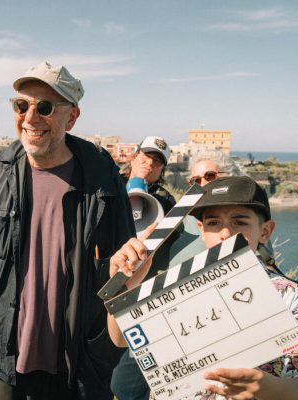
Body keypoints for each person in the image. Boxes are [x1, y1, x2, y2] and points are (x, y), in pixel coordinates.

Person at [0, 61, 135, 399]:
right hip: (3, 348)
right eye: (21, 105)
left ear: (71, 117)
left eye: (44, 107)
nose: (30, 118)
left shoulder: (100, 171)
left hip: (79, 356)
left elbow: (125, 251)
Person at [108, 176, 298, 400]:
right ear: (201, 229)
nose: (225, 233)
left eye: (240, 222)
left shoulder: (287, 294)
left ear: (265, 231)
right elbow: (121, 339)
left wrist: (264, 387)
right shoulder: (174, 287)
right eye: (214, 223)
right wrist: (125, 288)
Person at [110, 136, 176, 400]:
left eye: (158, 161)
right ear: (133, 158)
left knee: (124, 375)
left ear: (162, 171)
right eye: (146, 156)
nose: (150, 163)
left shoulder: (166, 201)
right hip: (102, 277)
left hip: (138, 287)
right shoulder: (109, 185)